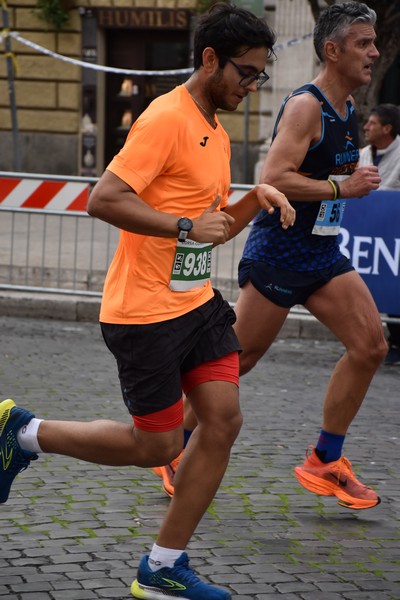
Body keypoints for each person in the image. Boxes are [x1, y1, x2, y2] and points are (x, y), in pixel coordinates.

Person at [0, 4, 295, 599]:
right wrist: (184, 227)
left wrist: (253, 198)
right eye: (247, 72)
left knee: (223, 420)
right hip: (143, 314)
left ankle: (161, 566)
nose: (252, 84)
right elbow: (103, 200)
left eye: (260, 74)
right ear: (209, 58)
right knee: (157, 446)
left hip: (197, 306)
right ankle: (23, 432)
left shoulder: (214, 123)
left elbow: (215, 228)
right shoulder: (166, 118)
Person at [359, 103, 400, 366]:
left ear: (387, 128)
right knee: (369, 289)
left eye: (371, 123)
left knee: (393, 289)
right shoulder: (363, 153)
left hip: (393, 236)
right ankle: (370, 341)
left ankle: (396, 342)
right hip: (367, 233)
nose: (365, 127)